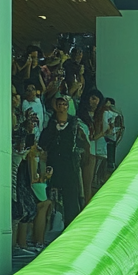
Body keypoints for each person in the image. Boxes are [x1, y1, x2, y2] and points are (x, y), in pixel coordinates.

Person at [37, 94, 88, 227]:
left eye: (64, 104)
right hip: (53, 164)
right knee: (51, 195)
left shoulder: (75, 123)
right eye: (59, 104)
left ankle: (72, 225)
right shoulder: (50, 122)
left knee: (71, 196)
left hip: (70, 164)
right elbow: (43, 142)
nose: (62, 107)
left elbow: (83, 141)